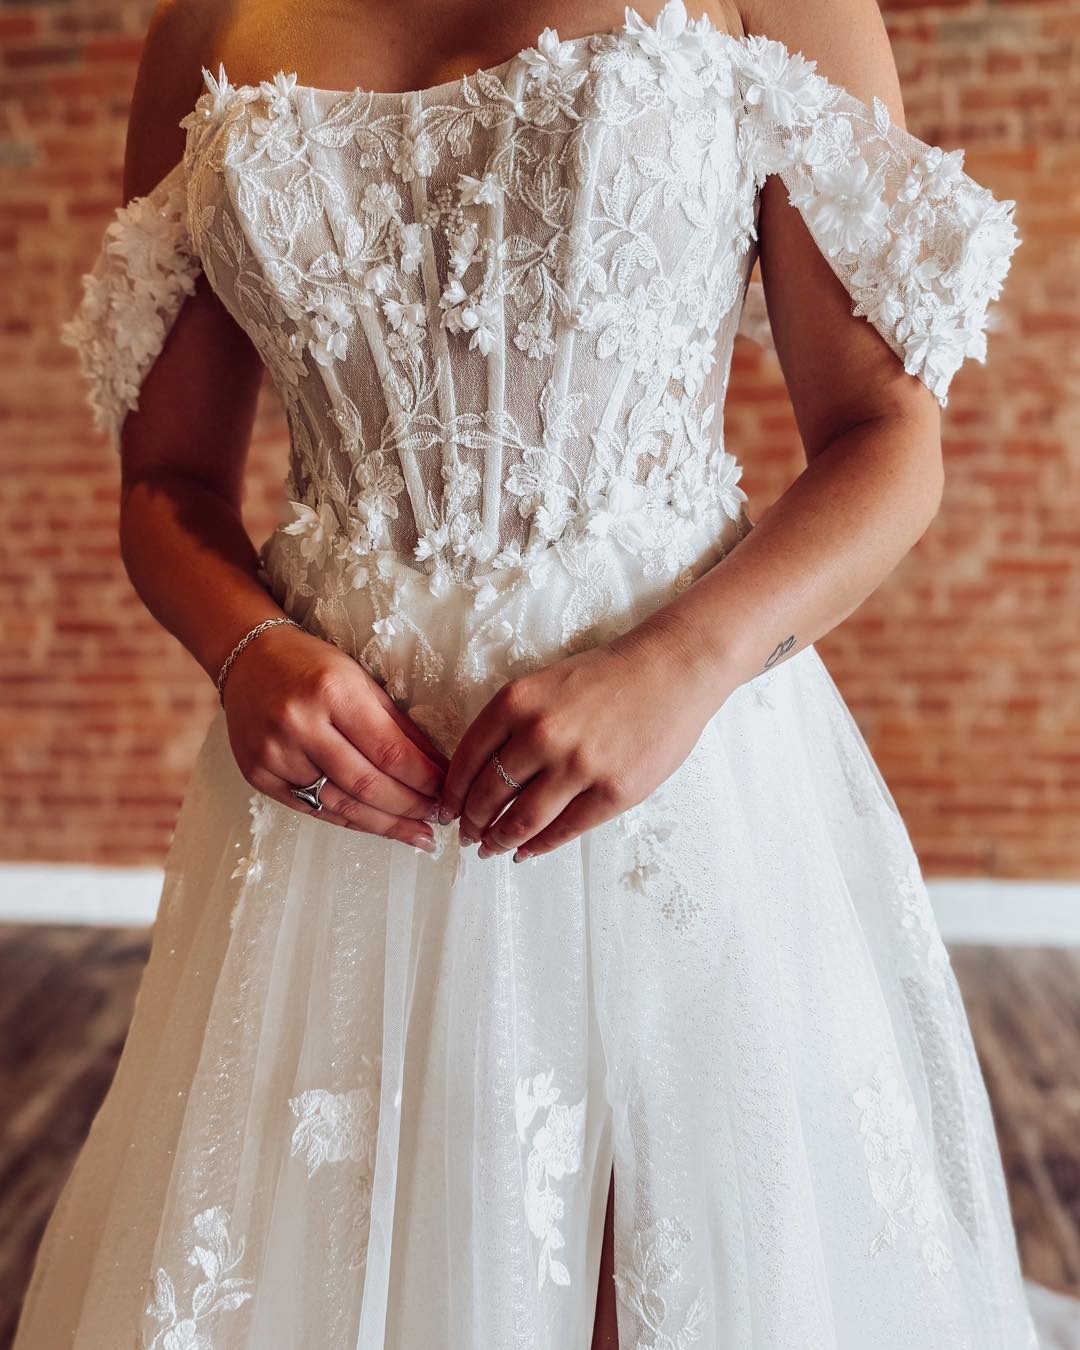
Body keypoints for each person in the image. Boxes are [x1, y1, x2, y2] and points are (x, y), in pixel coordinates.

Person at [16, 0, 1054, 1345]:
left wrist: (681, 666)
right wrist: (246, 647)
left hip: (672, 781)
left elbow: (886, 440)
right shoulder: (204, 24)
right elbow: (165, 481)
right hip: (347, 816)